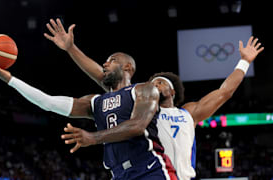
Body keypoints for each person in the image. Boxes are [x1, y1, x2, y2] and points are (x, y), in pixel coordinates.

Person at [44, 18, 264, 180]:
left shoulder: (188, 113)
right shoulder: (142, 109)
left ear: (172, 92)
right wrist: (71, 49)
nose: (154, 86)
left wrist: (244, 62)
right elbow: (103, 77)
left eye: (160, 83)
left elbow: (224, 92)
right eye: (153, 83)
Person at [0, 52, 178, 179]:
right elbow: (47, 102)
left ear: (128, 67)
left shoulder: (144, 89)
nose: (105, 63)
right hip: (119, 174)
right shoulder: (95, 102)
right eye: (106, 60)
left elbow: (137, 126)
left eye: (112, 60)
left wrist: (93, 137)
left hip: (150, 168)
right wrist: (8, 79)